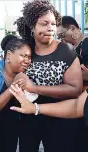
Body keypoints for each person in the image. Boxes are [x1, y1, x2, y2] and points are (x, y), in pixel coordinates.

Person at [14, 0, 83, 152]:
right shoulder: (26, 49)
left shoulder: (66, 50)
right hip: (29, 118)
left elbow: (75, 89)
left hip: (61, 118)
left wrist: (34, 87)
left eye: (53, 24)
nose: (50, 28)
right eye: (44, 24)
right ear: (33, 26)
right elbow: (12, 72)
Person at [57, 16, 88, 90]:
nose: (61, 40)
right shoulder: (72, 49)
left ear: (72, 28)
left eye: (62, 35)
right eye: (59, 38)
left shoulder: (86, 43)